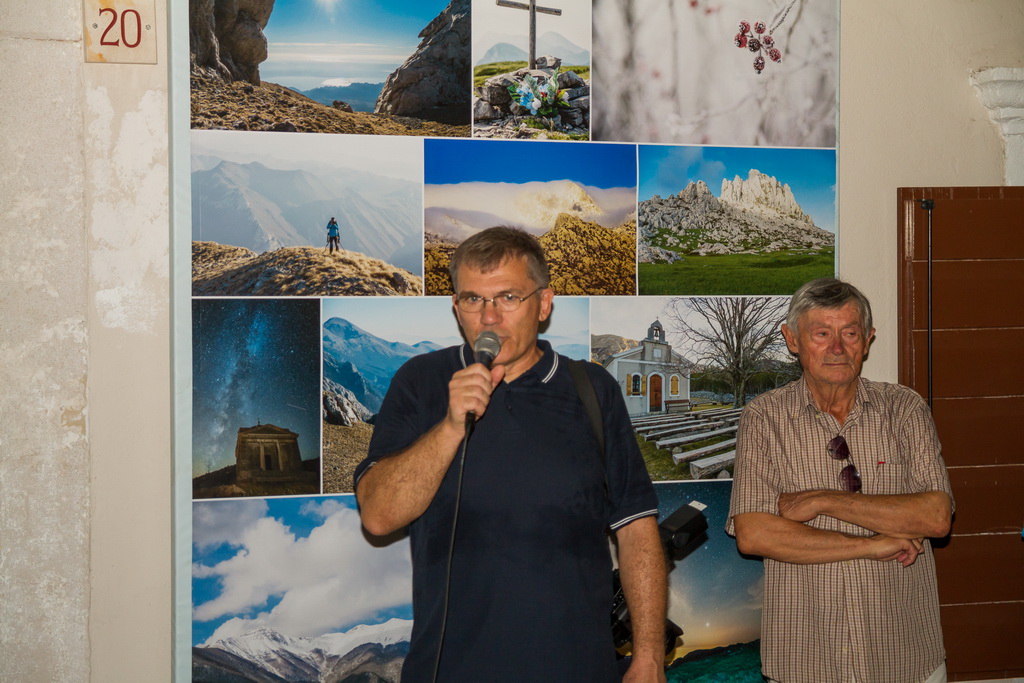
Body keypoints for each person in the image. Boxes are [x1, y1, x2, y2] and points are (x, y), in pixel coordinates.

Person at [354, 226, 668, 683]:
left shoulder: (592, 389)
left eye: (507, 298)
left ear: (543, 304)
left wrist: (649, 657)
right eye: (473, 299)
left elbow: (636, 527)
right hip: (452, 671)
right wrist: (449, 426)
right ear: (455, 307)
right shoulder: (420, 381)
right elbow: (379, 516)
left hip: (578, 667)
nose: (489, 318)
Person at [726, 277, 954, 683]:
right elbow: (755, 533)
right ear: (792, 339)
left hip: (905, 656)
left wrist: (823, 501)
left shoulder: (905, 408)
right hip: (805, 659)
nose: (837, 348)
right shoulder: (763, 418)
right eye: (821, 334)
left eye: (849, 333)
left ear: (867, 340)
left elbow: (936, 516)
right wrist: (871, 546)